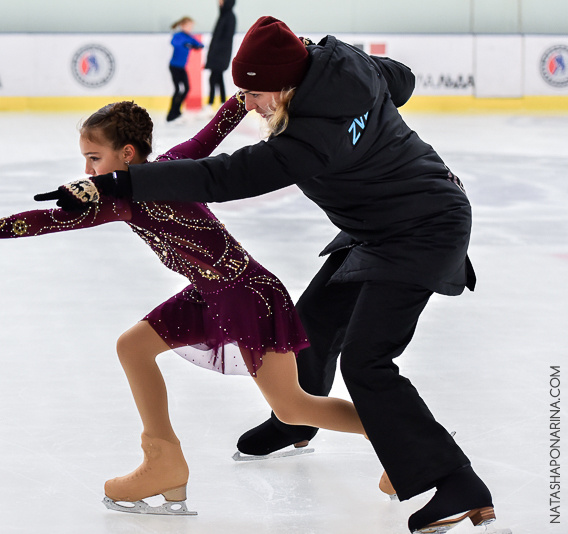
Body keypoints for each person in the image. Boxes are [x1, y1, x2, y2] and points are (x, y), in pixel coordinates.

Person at [34, 16, 498, 534]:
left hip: (422, 230)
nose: (248, 105)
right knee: (313, 325)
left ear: (287, 83)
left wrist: (120, 182)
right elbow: (403, 79)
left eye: (255, 93)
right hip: (383, 223)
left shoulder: (311, 139)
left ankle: (455, 481)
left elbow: (223, 175)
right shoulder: (344, 64)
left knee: (368, 363)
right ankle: (296, 417)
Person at [0, 96, 373, 516]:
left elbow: (218, 126)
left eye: (94, 158)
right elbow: (48, 218)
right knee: (133, 347)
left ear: (128, 155)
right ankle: (163, 462)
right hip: (209, 292)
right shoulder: (136, 189)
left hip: (246, 294)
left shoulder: (149, 184)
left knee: (293, 408)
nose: (88, 168)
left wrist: (253, 89)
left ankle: (404, 441)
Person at [167, 16, 203, 122]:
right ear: (182, 25)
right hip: (174, 67)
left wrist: (196, 46)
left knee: (186, 88)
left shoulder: (189, 37)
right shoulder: (178, 36)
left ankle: (176, 111)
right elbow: (174, 43)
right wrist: (185, 44)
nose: (190, 28)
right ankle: (171, 114)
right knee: (178, 89)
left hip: (182, 67)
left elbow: (200, 44)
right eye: (189, 26)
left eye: (191, 26)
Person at [204, 0, 236, 113]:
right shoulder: (223, 16)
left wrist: (214, 55)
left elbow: (224, 40)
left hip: (220, 55)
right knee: (218, 78)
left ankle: (210, 104)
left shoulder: (229, 17)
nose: (219, 2)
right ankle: (223, 103)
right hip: (217, 54)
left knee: (213, 79)